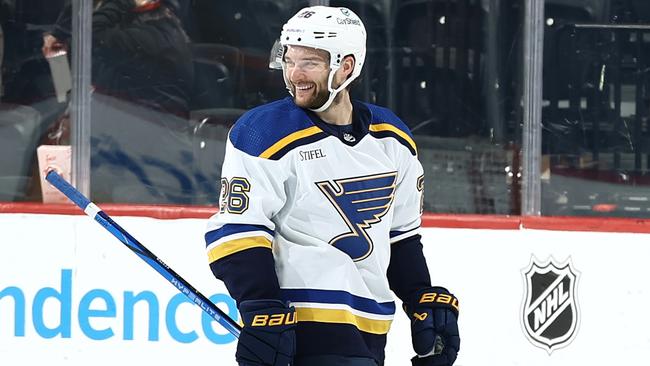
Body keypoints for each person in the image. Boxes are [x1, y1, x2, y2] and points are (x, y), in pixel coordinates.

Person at [205, 6, 460, 366]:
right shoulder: (264, 133)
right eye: (289, 60)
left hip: (369, 329)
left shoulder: (392, 140)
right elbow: (237, 231)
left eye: (309, 62)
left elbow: (400, 237)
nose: (295, 74)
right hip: (301, 325)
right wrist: (261, 306)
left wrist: (419, 297)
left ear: (347, 67)